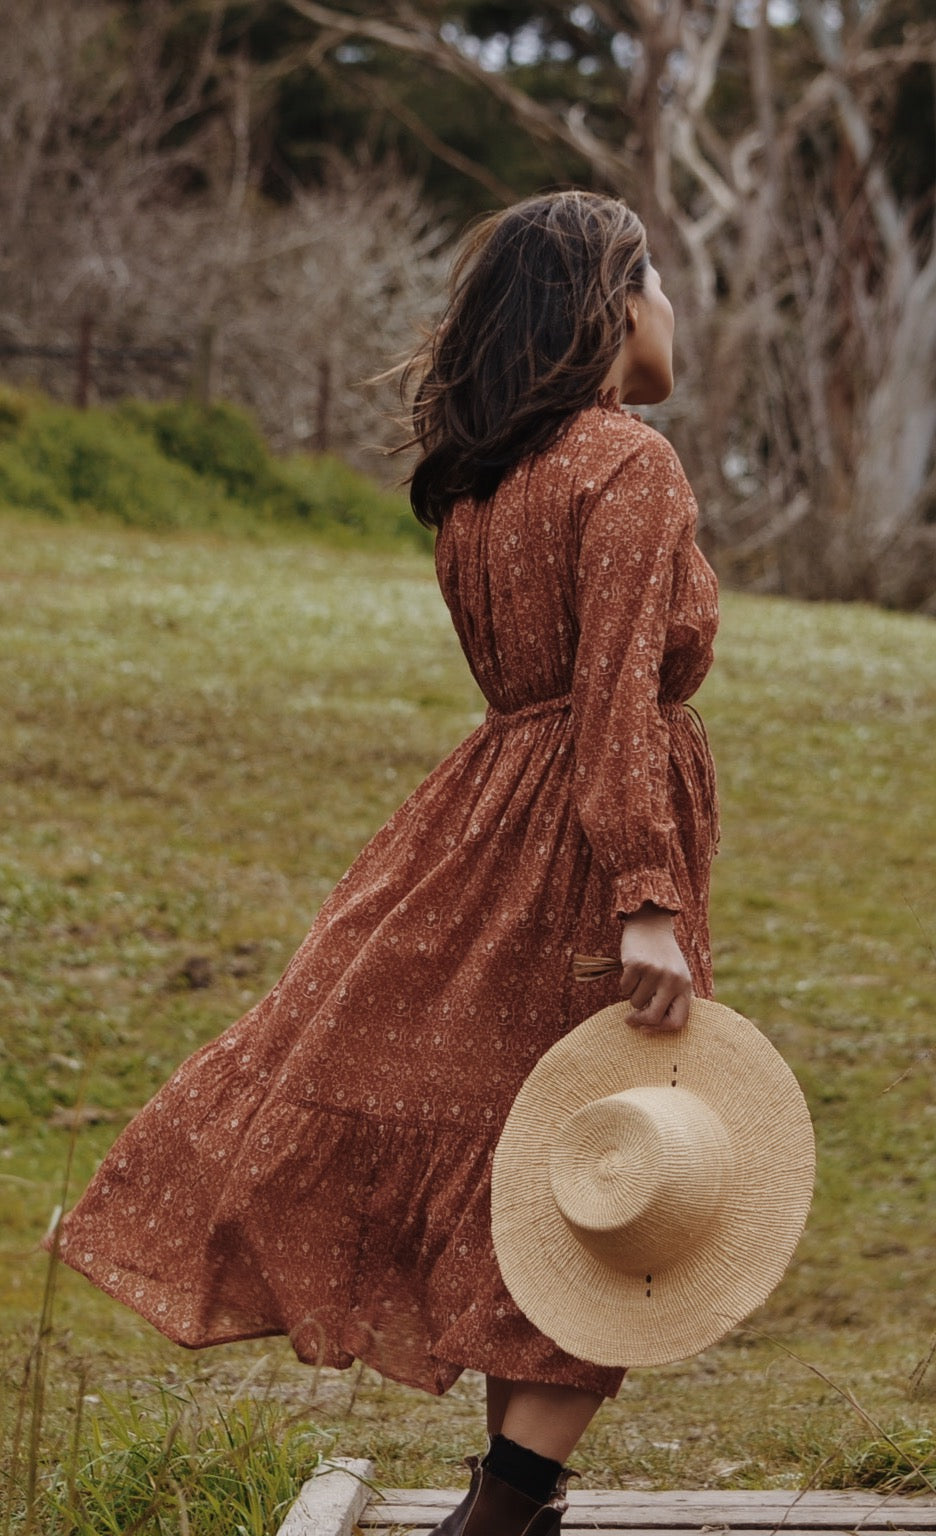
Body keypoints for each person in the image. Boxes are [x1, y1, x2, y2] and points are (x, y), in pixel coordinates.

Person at [50, 190, 720, 1536]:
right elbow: (609, 704)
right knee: (603, 1174)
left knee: (532, 1152)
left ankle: (502, 1500)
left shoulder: (487, 481)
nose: (675, 309)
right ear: (614, 309)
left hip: (481, 819)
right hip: (586, 845)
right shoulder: (628, 463)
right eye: (660, 278)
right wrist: (646, 897)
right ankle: (505, 1514)